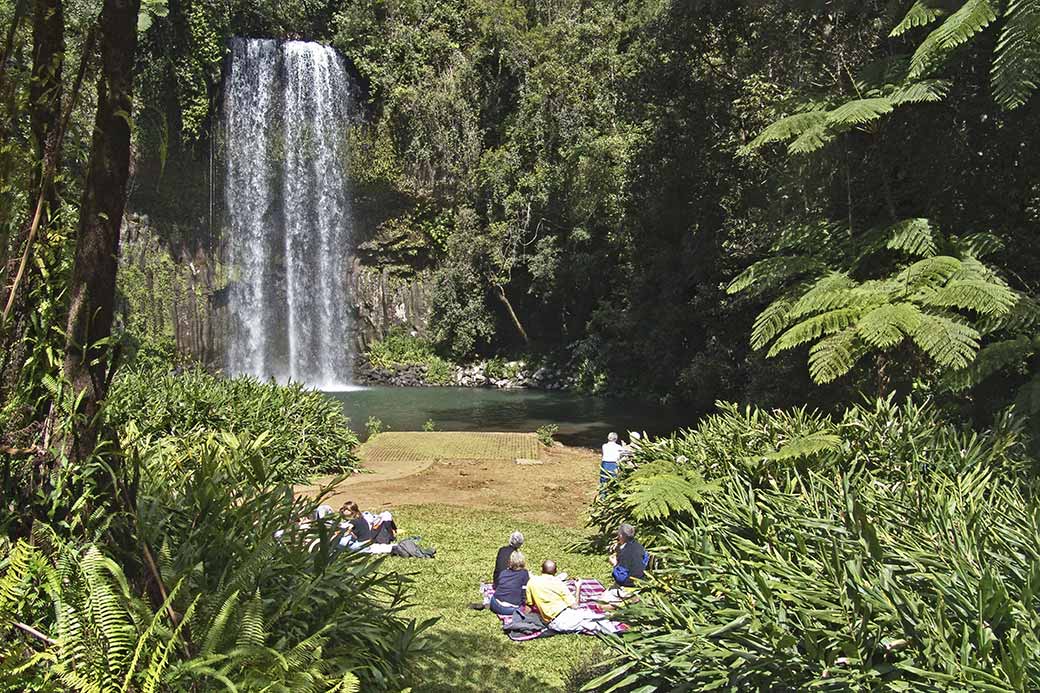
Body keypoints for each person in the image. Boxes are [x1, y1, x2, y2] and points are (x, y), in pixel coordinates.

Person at [527, 559, 614, 634]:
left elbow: (530, 604)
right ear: (555, 571)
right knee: (594, 622)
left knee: (589, 617)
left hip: (552, 621)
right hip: (563, 620)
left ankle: (611, 624)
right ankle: (617, 631)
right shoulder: (558, 583)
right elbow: (575, 606)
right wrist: (578, 587)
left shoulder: (532, 582)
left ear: (541, 569)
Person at [490, 551, 529, 616]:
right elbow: (524, 594)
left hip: (494, 604)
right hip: (509, 609)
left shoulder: (504, 572)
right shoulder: (524, 574)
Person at [610, 523, 647, 589]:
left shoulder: (625, 552)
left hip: (628, 587)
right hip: (641, 584)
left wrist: (615, 564)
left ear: (620, 536)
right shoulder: (640, 547)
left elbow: (620, 578)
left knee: (601, 597)